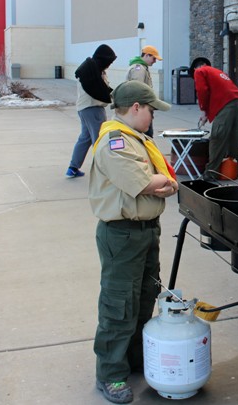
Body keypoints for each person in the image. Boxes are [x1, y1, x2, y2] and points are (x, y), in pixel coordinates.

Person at [88, 80, 178, 404]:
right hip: (123, 233)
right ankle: (111, 374)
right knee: (119, 305)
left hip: (145, 230)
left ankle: (134, 358)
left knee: (144, 297)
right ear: (136, 107)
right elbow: (142, 181)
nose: (153, 117)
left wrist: (159, 183)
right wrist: (161, 182)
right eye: (151, 110)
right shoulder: (115, 141)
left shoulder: (136, 140)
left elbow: (158, 180)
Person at [66, 44, 117, 178]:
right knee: (99, 141)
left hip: (84, 109)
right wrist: (111, 97)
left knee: (85, 138)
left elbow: (102, 89)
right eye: (109, 62)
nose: (109, 65)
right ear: (103, 59)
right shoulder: (93, 71)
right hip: (93, 109)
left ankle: (73, 167)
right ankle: (102, 172)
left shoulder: (90, 69)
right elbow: (99, 91)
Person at [190, 57, 238, 181]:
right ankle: (235, 170)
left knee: (217, 137)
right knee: (232, 139)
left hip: (227, 104)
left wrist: (203, 110)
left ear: (194, 68)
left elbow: (202, 91)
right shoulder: (217, 72)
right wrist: (207, 114)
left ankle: (210, 174)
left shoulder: (199, 71)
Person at [126, 45, 162, 136]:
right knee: (146, 135)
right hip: (141, 108)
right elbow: (137, 90)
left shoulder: (141, 67)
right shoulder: (139, 69)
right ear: (146, 55)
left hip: (141, 107)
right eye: (154, 58)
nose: (154, 61)